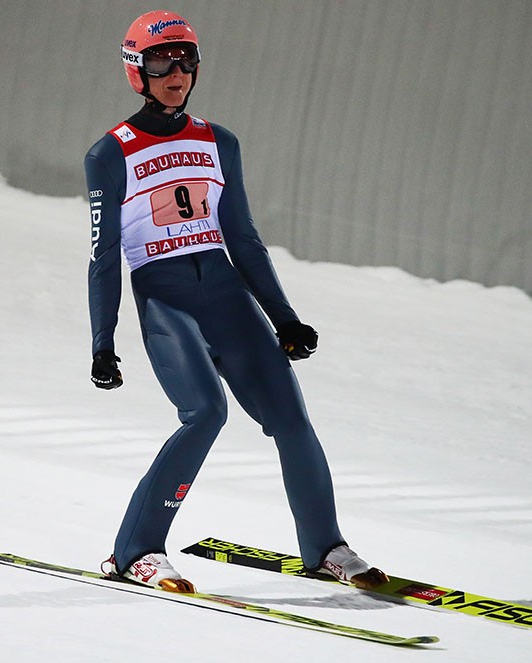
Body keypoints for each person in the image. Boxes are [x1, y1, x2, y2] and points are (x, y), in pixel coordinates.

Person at [84, 9, 388, 594]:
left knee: (291, 418)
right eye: (160, 63)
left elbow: (242, 237)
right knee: (206, 414)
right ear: (136, 71)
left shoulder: (218, 141)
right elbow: (103, 257)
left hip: (226, 294)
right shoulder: (110, 154)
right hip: (166, 299)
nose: (176, 73)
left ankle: (325, 547)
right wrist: (103, 343)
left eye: (186, 60)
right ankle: (135, 551)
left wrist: (285, 318)